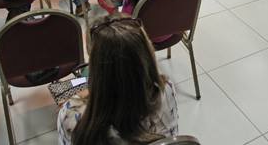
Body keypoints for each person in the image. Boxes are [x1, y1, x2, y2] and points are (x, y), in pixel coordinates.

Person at [57, 15, 178, 145]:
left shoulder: (70, 115)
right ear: (146, 53)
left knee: (62, 90)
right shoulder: (165, 89)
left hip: (90, 99)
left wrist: (77, 99)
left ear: (94, 60)